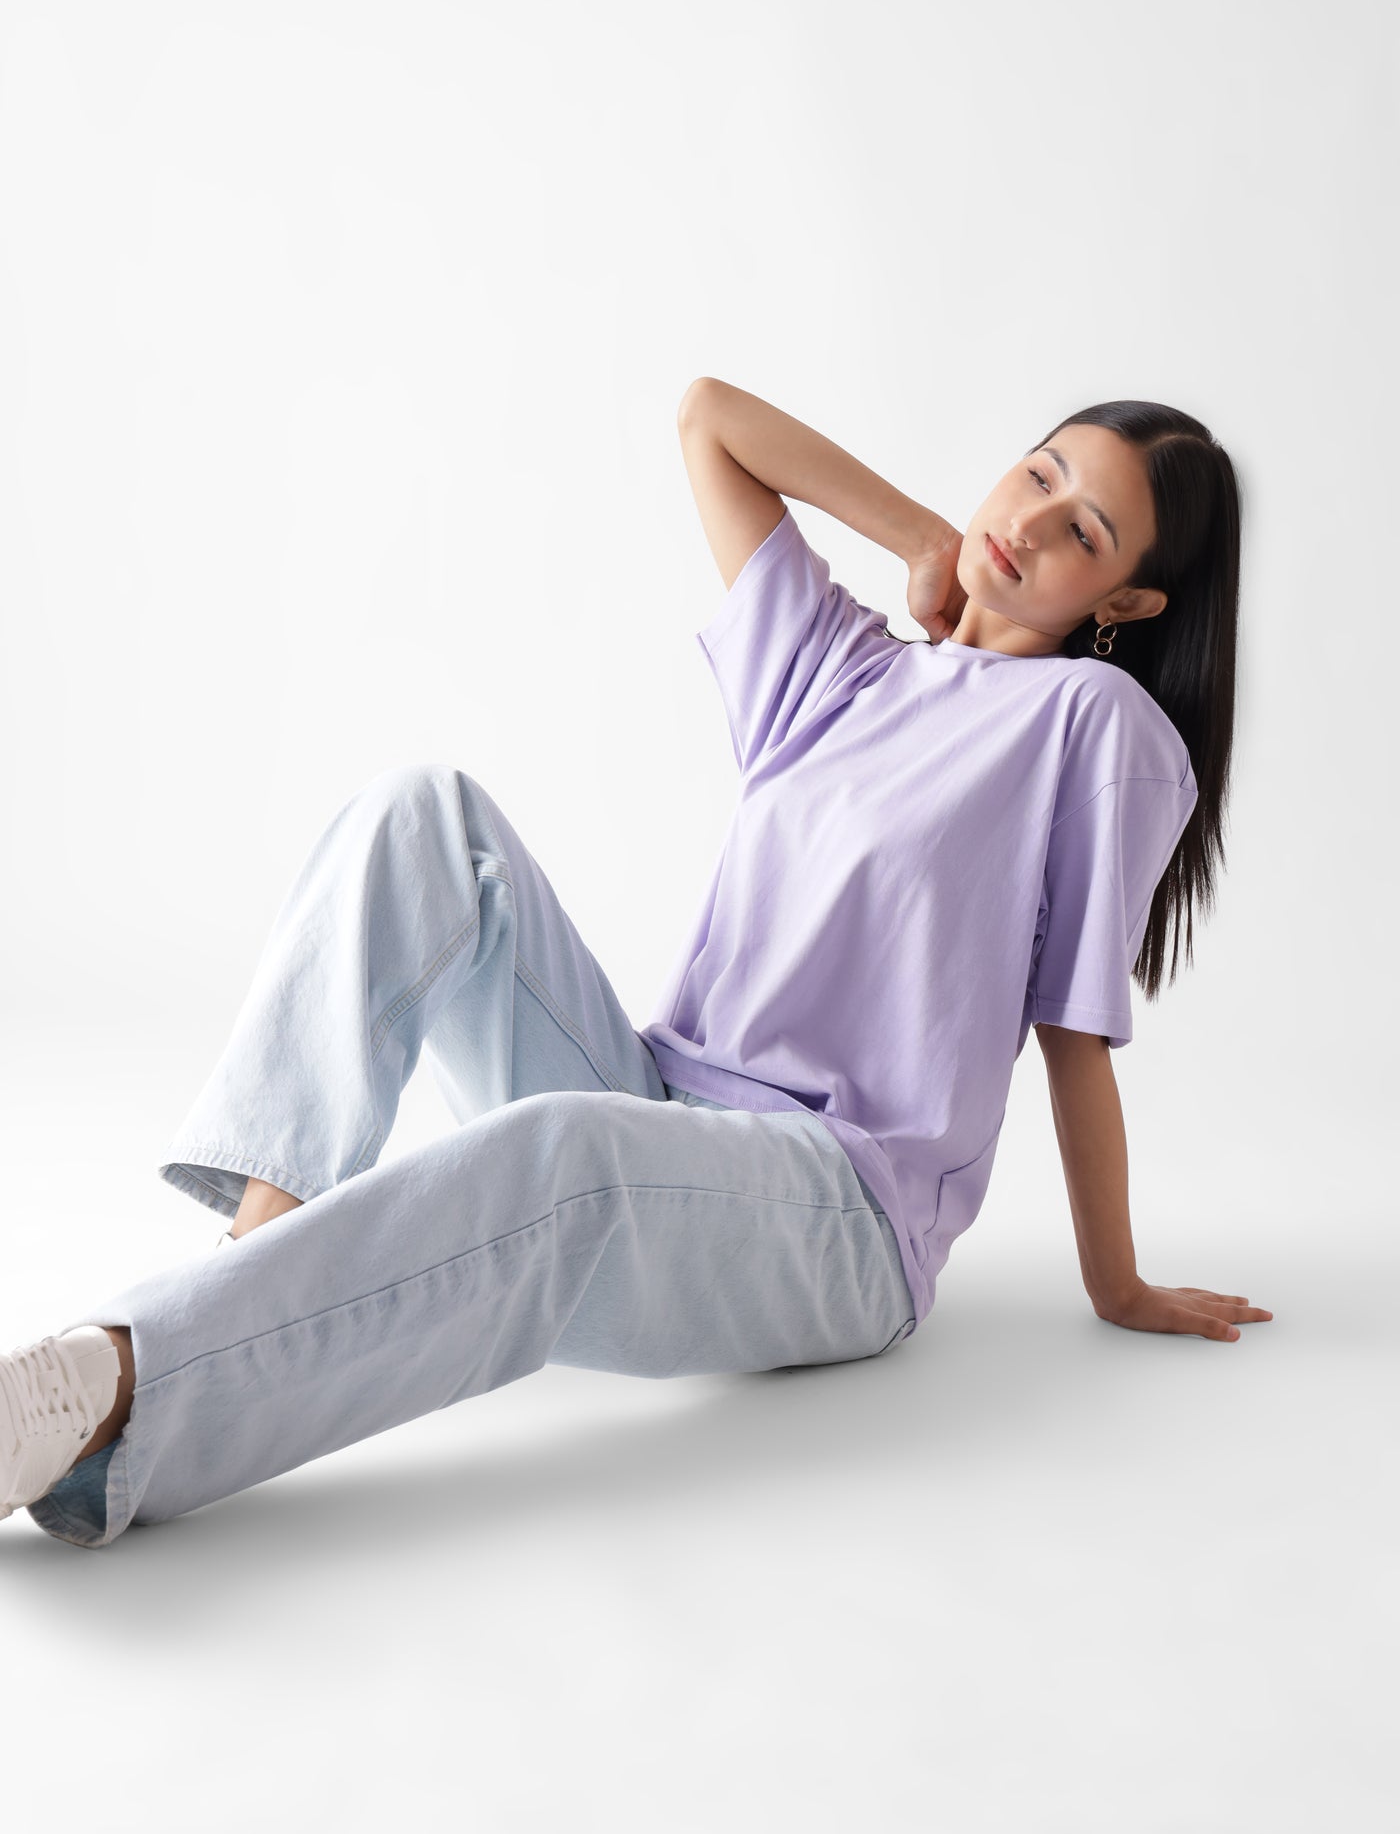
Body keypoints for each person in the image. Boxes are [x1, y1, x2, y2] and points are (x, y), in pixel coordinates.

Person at [1, 377, 1272, 1549]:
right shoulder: (841, 669)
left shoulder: (1095, 728)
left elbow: (1073, 1032)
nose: (1034, 524)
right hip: (661, 1100)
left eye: (1087, 536)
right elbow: (709, 420)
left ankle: (113, 1395)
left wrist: (1115, 1282)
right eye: (1038, 474)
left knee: (563, 1149)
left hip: (838, 1206)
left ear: (1124, 605)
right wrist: (920, 541)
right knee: (424, 813)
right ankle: (245, 1282)